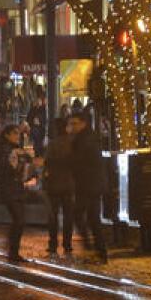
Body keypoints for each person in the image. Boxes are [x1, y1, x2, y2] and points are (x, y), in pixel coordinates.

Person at [69, 112, 108, 262]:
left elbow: (78, 161)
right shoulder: (86, 138)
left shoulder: (85, 140)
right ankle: (97, 250)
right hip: (90, 184)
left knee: (84, 215)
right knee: (91, 218)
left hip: (88, 185)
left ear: (83, 123)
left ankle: (95, 249)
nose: (72, 127)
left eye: (74, 123)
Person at [0, 124, 28, 262]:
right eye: (14, 133)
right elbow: (0, 169)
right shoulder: (4, 150)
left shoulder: (16, 149)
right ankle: (12, 251)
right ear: (7, 134)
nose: (17, 136)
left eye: (18, 133)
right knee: (19, 219)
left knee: (19, 220)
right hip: (9, 188)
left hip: (16, 187)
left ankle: (13, 251)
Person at [43, 117, 76, 255]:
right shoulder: (72, 143)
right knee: (68, 216)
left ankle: (53, 244)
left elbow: (47, 163)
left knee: (53, 216)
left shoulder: (53, 144)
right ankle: (67, 244)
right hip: (69, 184)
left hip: (54, 185)